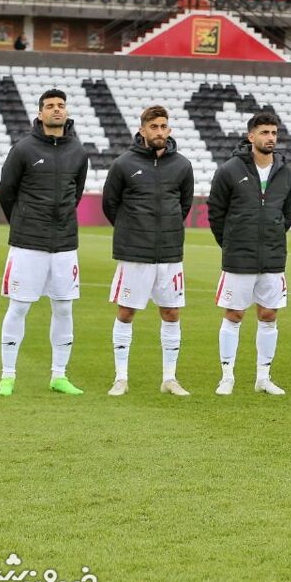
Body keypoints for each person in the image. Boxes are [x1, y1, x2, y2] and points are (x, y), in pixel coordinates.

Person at [0, 89, 89, 398]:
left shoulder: (78, 151)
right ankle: (7, 376)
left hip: (64, 244)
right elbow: (6, 193)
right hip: (27, 243)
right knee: (19, 307)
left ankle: (59, 376)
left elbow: (76, 193)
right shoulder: (22, 149)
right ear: (40, 114)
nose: (56, 110)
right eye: (50, 106)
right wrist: (24, 222)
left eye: (61, 105)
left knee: (63, 308)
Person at [100, 106, 195, 398]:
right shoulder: (123, 164)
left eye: (164, 126)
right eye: (153, 126)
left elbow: (184, 205)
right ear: (142, 130)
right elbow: (110, 205)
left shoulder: (182, 165)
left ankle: (169, 378)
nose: (159, 131)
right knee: (127, 312)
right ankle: (120, 378)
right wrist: (134, 230)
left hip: (169, 254)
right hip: (135, 253)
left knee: (171, 312)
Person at [207, 113, 291, 396]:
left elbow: (288, 214)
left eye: (274, 132)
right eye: (264, 132)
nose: (270, 137)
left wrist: (270, 236)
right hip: (239, 258)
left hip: (272, 259)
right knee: (234, 314)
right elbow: (216, 213)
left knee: (269, 315)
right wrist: (232, 242)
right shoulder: (230, 170)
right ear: (251, 137)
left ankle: (263, 377)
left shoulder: (287, 174)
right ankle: (227, 377)